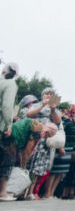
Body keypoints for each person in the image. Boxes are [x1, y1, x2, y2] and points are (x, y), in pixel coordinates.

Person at [0, 62, 18, 202]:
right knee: (6, 159)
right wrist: (9, 124)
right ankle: (2, 192)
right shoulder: (10, 84)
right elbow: (6, 106)